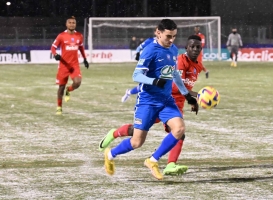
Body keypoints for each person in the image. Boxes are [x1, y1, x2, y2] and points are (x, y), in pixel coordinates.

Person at [101, 19, 198, 180]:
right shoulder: (150, 50)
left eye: (174, 36)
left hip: (166, 101)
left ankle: (152, 160)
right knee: (137, 142)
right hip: (147, 101)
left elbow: (174, 74)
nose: (172, 40)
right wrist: (154, 81)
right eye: (168, 36)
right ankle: (110, 154)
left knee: (179, 129)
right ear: (158, 33)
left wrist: (187, 95)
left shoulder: (173, 50)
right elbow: (136, 75)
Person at [51, 16, 89, 115]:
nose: (72, 24)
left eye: (73, 23)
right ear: (66, 24)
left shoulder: (79, 36)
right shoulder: (61, 36)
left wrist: (85, 59)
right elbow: (53, 47)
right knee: (61, 87)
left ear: (75, 24)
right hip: (64, 65)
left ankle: (69, 89)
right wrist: (55, 55)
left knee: (77, 82)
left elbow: (81, 48)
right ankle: (59, 107)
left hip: (74, 65)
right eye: (70, 22)